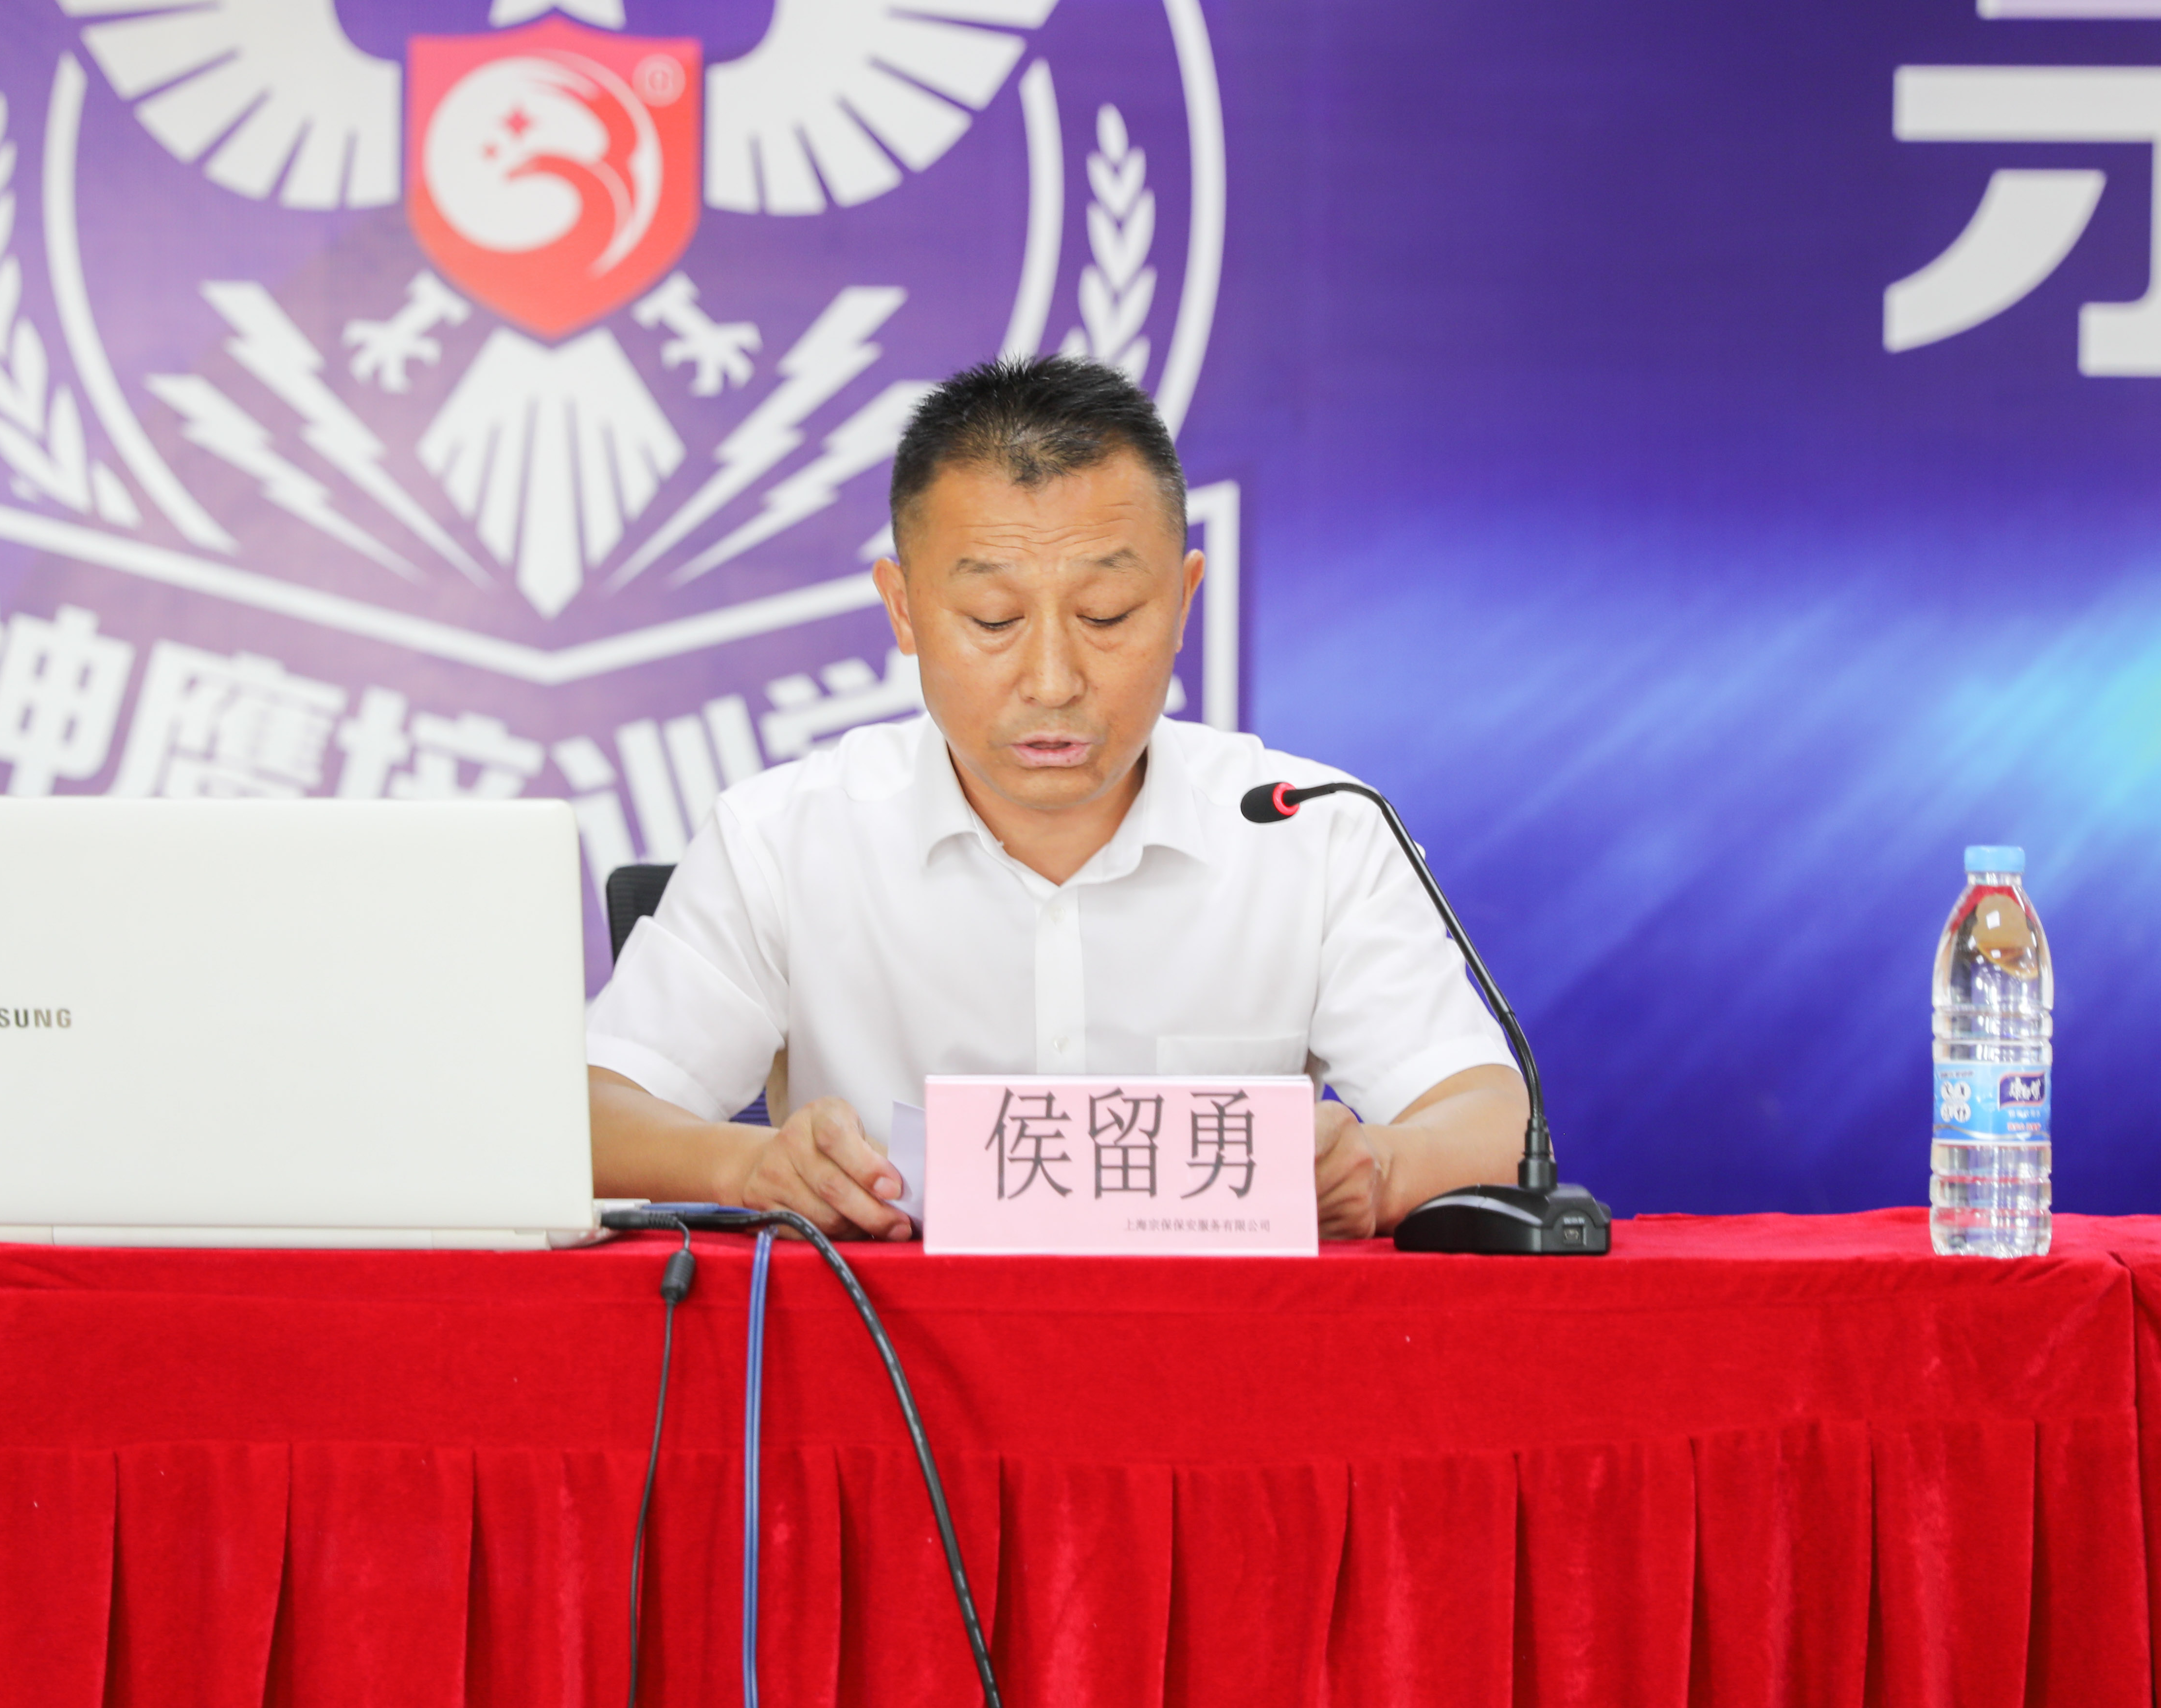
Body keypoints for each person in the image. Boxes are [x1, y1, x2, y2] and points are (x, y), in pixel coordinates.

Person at [586, 357, 1528, 1239]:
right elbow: (589, 1113)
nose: (1052, 680)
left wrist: (1378, 1168)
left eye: (1105, 615)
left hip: (1221, 1348)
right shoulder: (783, 836)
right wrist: (752, 1165)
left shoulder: (1316, 828)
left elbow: (1492, 1119)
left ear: (1185, 598)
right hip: (882, 1348)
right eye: (994, 619)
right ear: (904, 609)